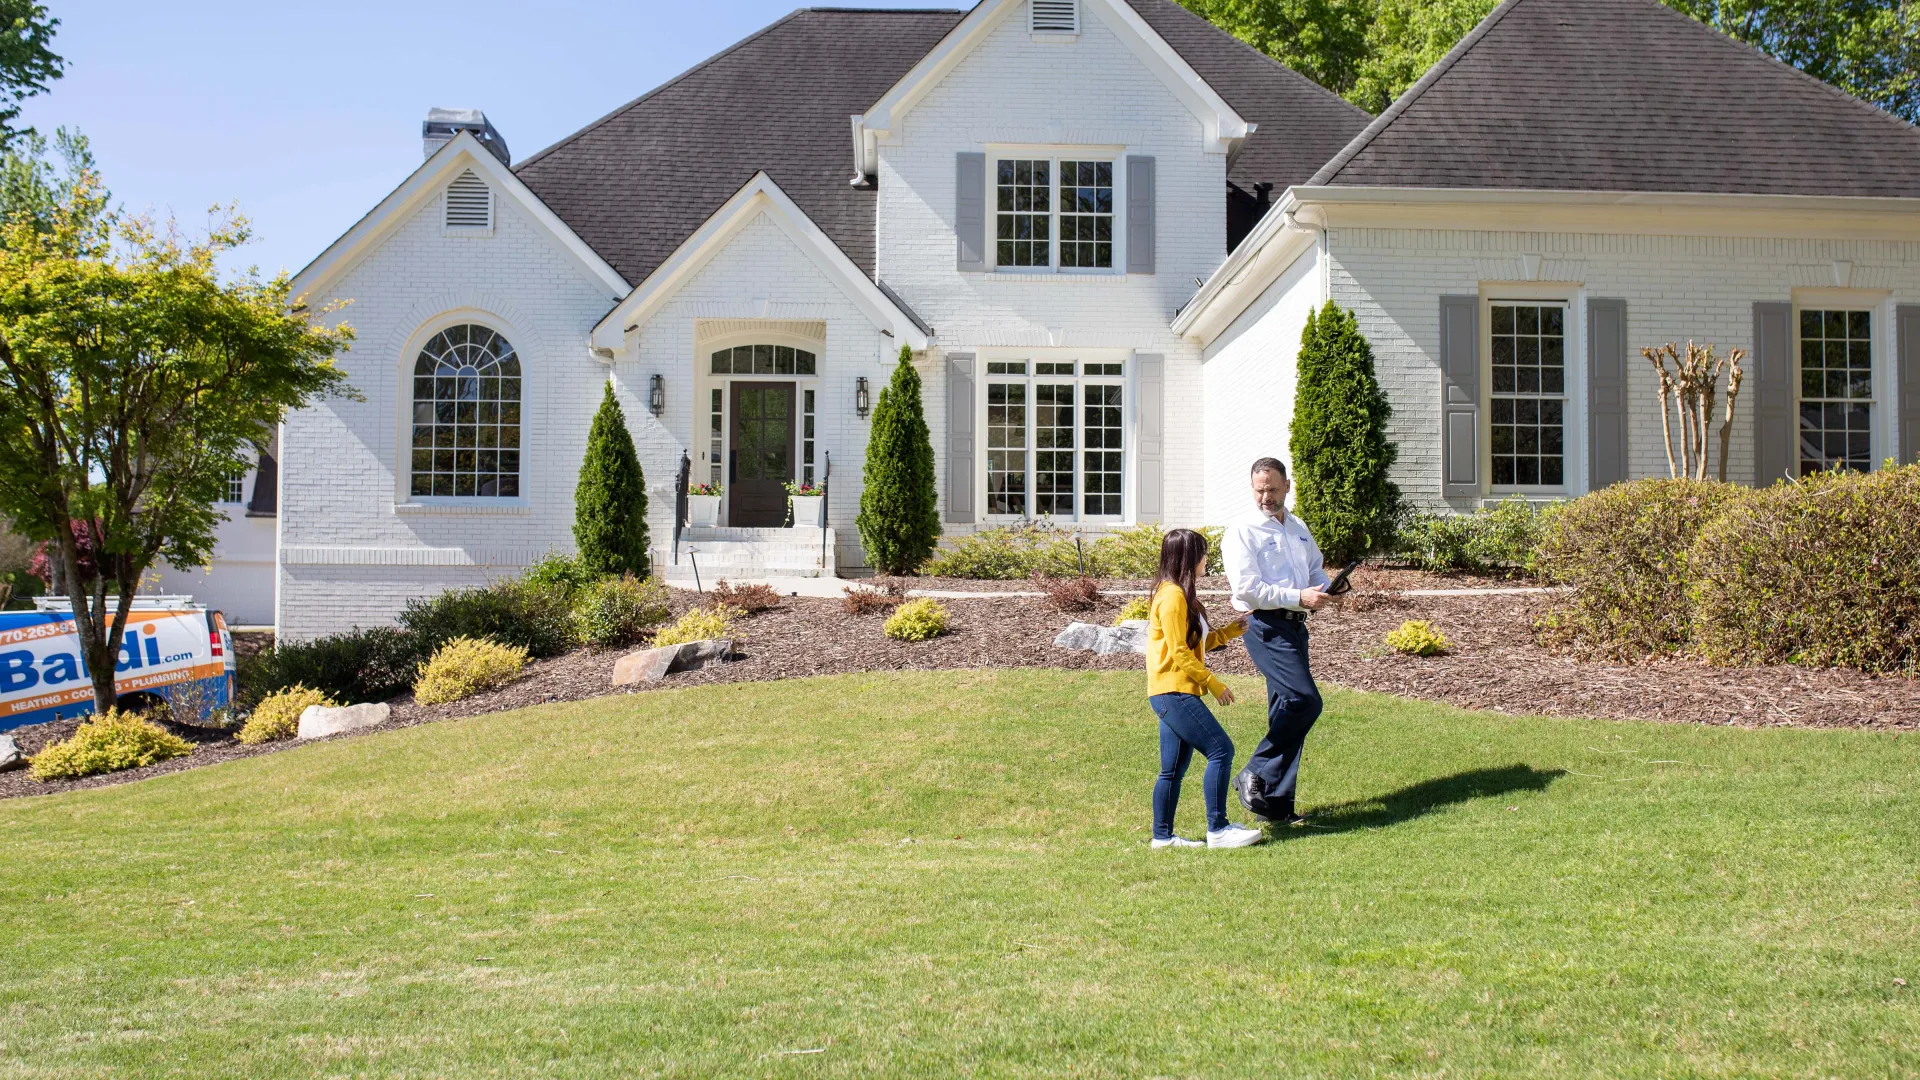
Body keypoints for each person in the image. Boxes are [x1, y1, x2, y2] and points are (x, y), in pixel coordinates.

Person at [1223, 457, 1333, 827]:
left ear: (1288, 485)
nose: (1265, 497)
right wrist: (1299, 597)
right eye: (1259, 490)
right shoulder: (1243, 529)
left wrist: (1325, 587)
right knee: (1304, 701)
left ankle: (1276, 806)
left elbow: (1315, 567)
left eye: (1272, 489)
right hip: (1264, 625)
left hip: (1296, 626)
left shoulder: (1298, 526)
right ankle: (1253, 772)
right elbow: (1247, 590)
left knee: (1286, 710)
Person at [1144, 527, 1266, 850]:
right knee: (1221, 750)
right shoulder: (1171, 598)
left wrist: (1229, 632)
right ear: (1187, 558)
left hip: (1169, 692)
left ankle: (1163, 838)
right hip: (1174, 692)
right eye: (1201, 553)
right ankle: (1218, 829)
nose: (1205, 559)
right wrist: (1213, 683)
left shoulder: (1176, 593)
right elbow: (1179, 652)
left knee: (1172, 769)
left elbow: (1195, 643)